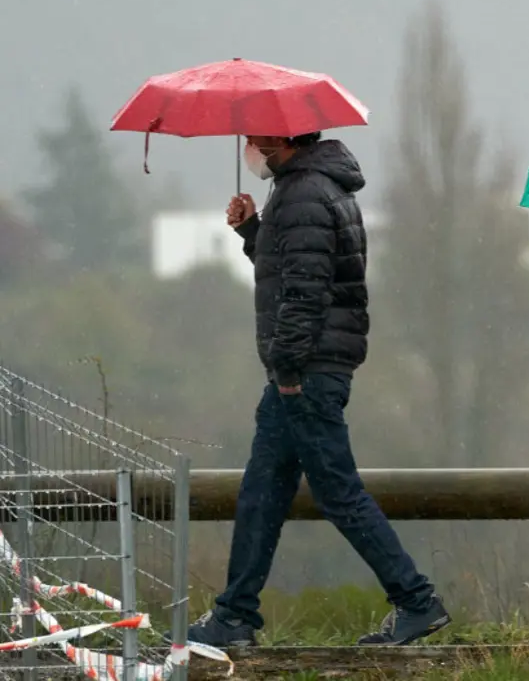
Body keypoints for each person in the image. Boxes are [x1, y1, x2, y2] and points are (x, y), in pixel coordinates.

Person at [177, 133, 449, 648]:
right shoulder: (310, 188)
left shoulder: (304, 193)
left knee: (338, 492)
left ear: (285, 139)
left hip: (305, 372)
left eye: (258, 138)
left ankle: (416, 600)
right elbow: (290, 270)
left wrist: (286, 366)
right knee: (263, 491)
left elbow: (306, 289)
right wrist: (251, 229)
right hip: (307, 368)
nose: (251, 147)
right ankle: (234, 615)